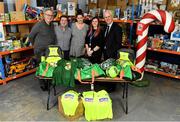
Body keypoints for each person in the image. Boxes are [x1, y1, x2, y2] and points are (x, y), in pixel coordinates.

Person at [29, 8, 56, 91]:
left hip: (49, 50)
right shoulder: (39, 25)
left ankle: (48, 81)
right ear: (44, 15)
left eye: (51, 15)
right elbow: (31, 36)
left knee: (48, 66)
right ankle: (42, 84)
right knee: (41, 66)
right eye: (48, 15)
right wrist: (36, 45)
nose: (49, 17)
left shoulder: (52, 25)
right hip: (40, 51)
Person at [102, 10, 123, 92]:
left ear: (112, 17)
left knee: (112, 70)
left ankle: (112, 87)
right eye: (105, 17)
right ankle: (107, 84)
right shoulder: (104, 27)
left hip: (112, 54)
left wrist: (110, 52)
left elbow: (118, 43)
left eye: (108, 17)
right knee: (106, 69)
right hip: (105, 54)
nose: (107, 18)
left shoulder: (117, 28)